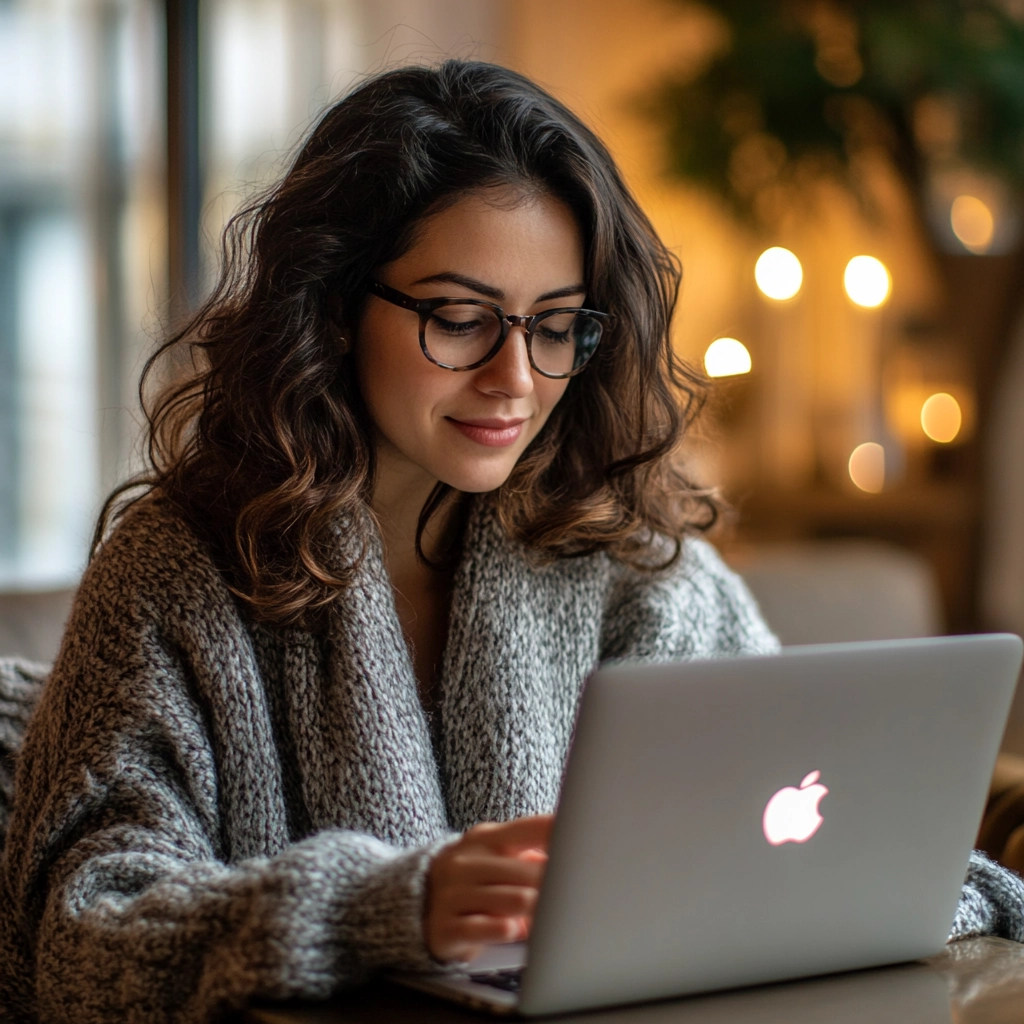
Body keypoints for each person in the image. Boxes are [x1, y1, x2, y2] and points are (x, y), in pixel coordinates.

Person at [0, 60, 1021, 1024]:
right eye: (459, 318)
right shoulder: (176, 573)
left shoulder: (639, 568)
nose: (515, 380)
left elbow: (792, 840)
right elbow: (84, 939)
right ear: (332, 304)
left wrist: (925, 883)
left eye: (556, 325)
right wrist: (383, 907)